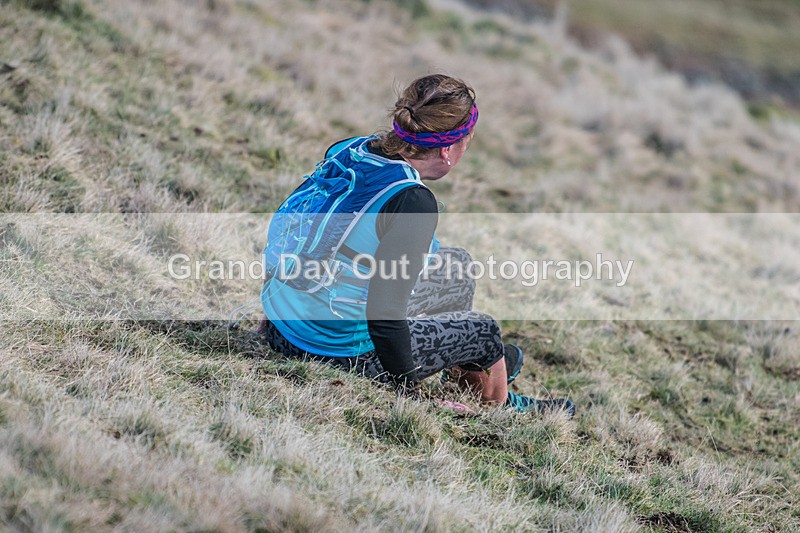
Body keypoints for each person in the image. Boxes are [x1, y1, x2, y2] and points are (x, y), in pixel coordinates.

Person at [260, 74, 574, 417]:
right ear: (448, 149)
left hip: (281, 325)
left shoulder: (351, 149)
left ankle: (470, 372)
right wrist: (410, 392)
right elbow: (384, 317)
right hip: (333, 352)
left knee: (456, 268)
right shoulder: (410, 201)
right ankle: (497, 405)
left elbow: (301, 234)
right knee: (484, 333)